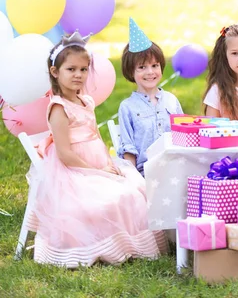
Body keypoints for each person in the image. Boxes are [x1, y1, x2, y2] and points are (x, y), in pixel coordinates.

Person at [28, 32, 166, 268]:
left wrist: (108, 164)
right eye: (71, 69)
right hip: (75, 169)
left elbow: (94, 135)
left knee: (135, 189)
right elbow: (65, 154)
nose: (78, 75)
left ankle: (131, 245)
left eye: (83, 69)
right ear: (55, 72)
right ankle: (104, 247)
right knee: (113, 198)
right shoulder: (59, 108)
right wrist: (99, 170)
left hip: (97, 162)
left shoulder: (86, 101)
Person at [118, 18, 183, 176]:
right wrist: (133, 180)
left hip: (175, 168)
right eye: (142, 67)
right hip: (145, 173)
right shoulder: (128, 107)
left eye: (155, 65)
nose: (150, 72)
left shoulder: (171, 101)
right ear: (131, 71)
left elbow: (183, 136)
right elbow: (128, 149)